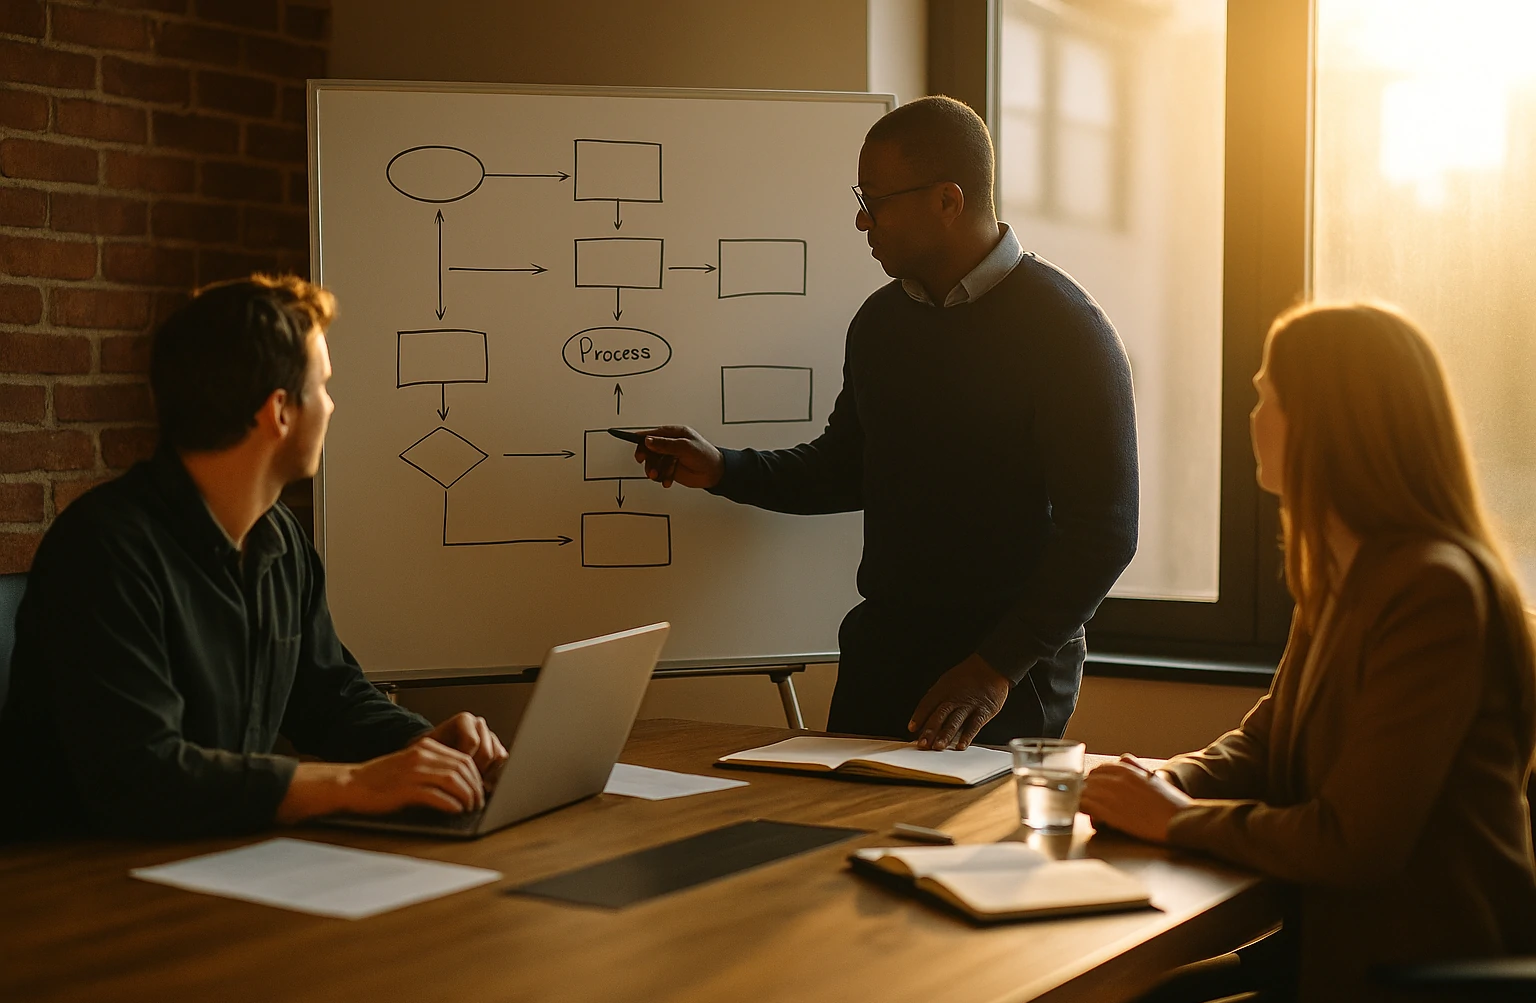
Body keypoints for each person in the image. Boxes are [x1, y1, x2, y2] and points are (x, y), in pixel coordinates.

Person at [630, 96, 1138, 751]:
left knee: (966, 824)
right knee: (840, 817)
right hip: (883, 658)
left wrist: (995, 669)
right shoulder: (880, 322)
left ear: (948, 201)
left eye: (876, 200)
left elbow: (1104, 532)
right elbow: (846, 468)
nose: (861, 219)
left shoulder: (1068, 331)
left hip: (1002, 677)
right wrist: (725, 468)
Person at [1081, 302, 1536, 1003]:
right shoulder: (1340, 571)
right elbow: (1267, 742)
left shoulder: (1435, 591)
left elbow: (1355, 843)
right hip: (1327, 949)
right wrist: (1165, 781)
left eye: (1268, 396)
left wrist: (1175, 820)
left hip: (1417, 983)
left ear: (1329, 422)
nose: (1253, 415)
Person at [0, 275, 508, 840]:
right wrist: (354, 783)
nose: (332, 405)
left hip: (220, 856)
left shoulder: (280, 538)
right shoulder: (102, 552)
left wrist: (421, 744)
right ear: (279, 412)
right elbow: (142, 776)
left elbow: (329, 696)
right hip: (81, 874)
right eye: (323, 386)